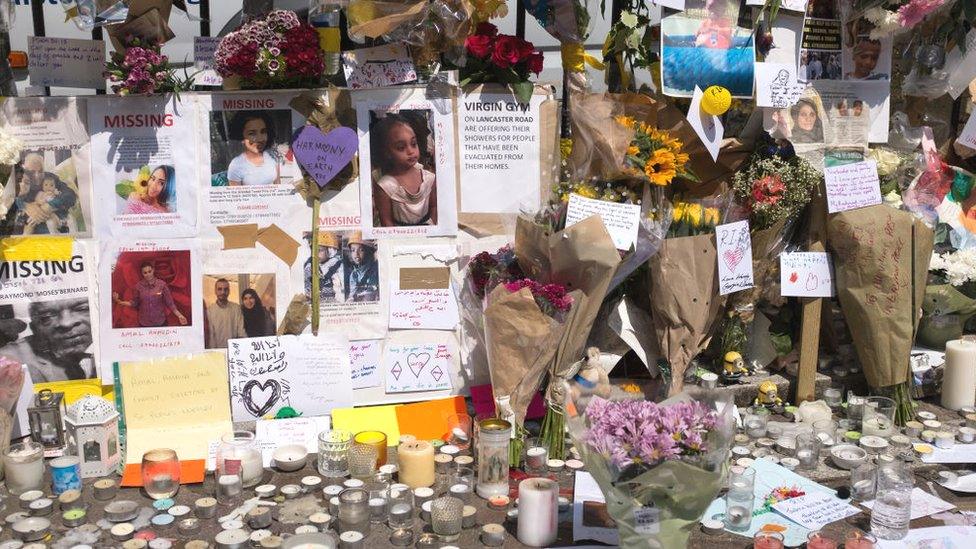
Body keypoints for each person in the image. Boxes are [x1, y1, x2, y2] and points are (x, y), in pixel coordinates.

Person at [0, 298, 94, 382]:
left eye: (82, 309)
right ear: (34, 328)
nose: (66, 323)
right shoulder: (9, 359)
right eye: (47, 317)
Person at [371, 114, 438, 227]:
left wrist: (430, 231)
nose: (410, 151)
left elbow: (434, 207)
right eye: (401, 147)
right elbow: (386, 222)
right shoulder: (385, 186)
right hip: (399, 240)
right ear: (387, 153)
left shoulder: (429, 178)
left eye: (413, 144)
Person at [113, 261, 188, 328]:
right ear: (142, 274)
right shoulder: (138, 287)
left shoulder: (162, 285)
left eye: (149, 271)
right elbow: (134, 303)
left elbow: (170, 303)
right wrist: (119, 301)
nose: (148, 274)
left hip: (160, 322)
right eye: (145, 273)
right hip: (144, 323)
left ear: (153, 270)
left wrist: (180, 315)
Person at [227, 111, 282, 186]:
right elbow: (235, 196)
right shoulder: (236, 165)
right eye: (252, 133)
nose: (260, 139)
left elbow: (278, 186)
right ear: (241, 137)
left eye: (263, 132)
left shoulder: (272, 156)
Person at [206, 278, 246, 348]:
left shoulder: (236, 308)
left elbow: (241, 332)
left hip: (234, 351)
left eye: (226, 289)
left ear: (229, 291)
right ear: (215, 291)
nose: (223, 292)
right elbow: (211, 337)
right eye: (219, 289)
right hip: (217, 354)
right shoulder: (209, 311)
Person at [305, 232, 344, 302]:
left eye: (319, 250)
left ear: (330, 251)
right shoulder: (309, 265)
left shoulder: (337, 266)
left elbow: (340, 291)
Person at [345, 232, 379, 302]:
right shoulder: (354, 275)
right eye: (353, 250)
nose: (356, 254)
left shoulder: (375, 269)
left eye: (361, 250)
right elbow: (352, 294)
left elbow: (371, 296)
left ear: (368, 251)